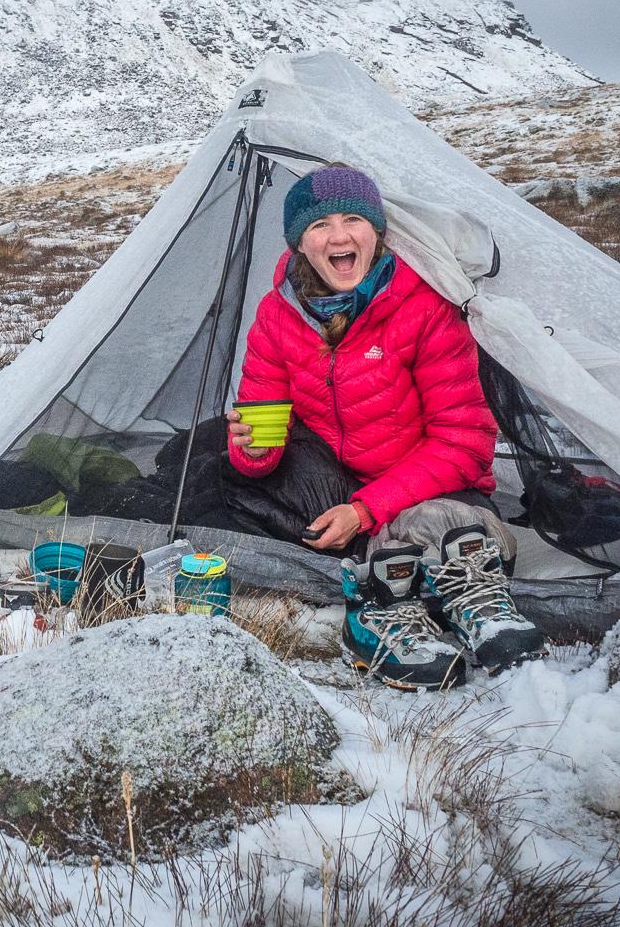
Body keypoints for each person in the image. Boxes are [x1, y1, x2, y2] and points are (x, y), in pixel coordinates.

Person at [224, 163, 545, 689]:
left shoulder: (425, 306)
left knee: (446, 517)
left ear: (377, 231)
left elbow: (464, 443)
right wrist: (253, 450)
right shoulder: (277, 313)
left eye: (354, 219)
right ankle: (394, 590)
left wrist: (365, 510)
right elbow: (261, 425)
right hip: (336, 474)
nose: (340, 236)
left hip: (419, 476)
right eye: (319, 225)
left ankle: (456, 590)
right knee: (236, 478)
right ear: (300, 243)